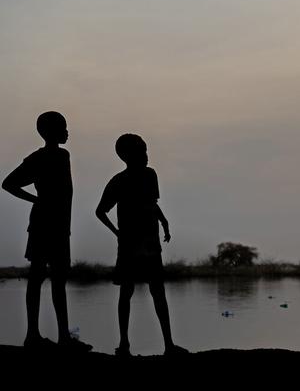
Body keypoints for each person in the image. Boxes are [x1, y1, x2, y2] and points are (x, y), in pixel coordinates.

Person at [2, 111, 92, 352]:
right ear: (50, 131)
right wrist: (37, 200)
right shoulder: (43, 157)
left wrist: (39, 202)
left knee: (54, 280)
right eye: (63, 127)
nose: (67, 131)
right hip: (45, 225)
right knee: (39, 278)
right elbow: (8, 183)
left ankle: (59, 336)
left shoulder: (61, 155)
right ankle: (35, 335)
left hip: (59, 226)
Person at [96, 133, 188, 356]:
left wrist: (164, 223)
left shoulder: (150, 175)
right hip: (130, 244)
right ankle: (125, 344)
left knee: (157, 291)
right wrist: (118, 232)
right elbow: (100, 211)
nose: (146, 156)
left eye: (146, 151)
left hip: (150, 242)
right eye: (141, 152)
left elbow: (152, 203)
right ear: (126, 156)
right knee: (127, 291)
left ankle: (168, 345)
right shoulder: (118, 181)